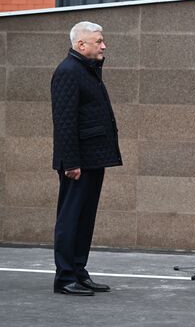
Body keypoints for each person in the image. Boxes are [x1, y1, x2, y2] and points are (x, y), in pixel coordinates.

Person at [51, 21, 122, 295]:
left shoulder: (87, 70)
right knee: (70, 219)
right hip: (77, 162)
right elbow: (64, 122)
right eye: (98, 41)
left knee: (85, 219)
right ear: (81, 45)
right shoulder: (68, 72)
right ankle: (65, 277)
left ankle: (79, 272)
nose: (104, 45)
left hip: (92, 158)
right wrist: (71, 163)